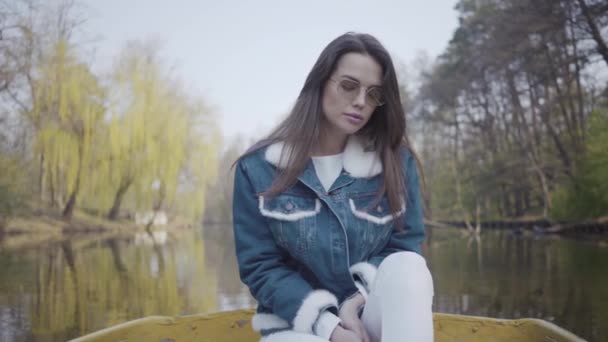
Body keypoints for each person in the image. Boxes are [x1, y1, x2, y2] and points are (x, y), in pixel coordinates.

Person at [231, 32, 434, 342]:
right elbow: (262, 267)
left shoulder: (395, 161)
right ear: (321, 83)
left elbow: (405, 246)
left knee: (409, 266)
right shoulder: (257, 168)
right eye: (349, 86)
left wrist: (355, 302)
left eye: (374, 94)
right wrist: (330, 328)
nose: (360, 102)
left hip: (370, 315)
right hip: (295, 326)